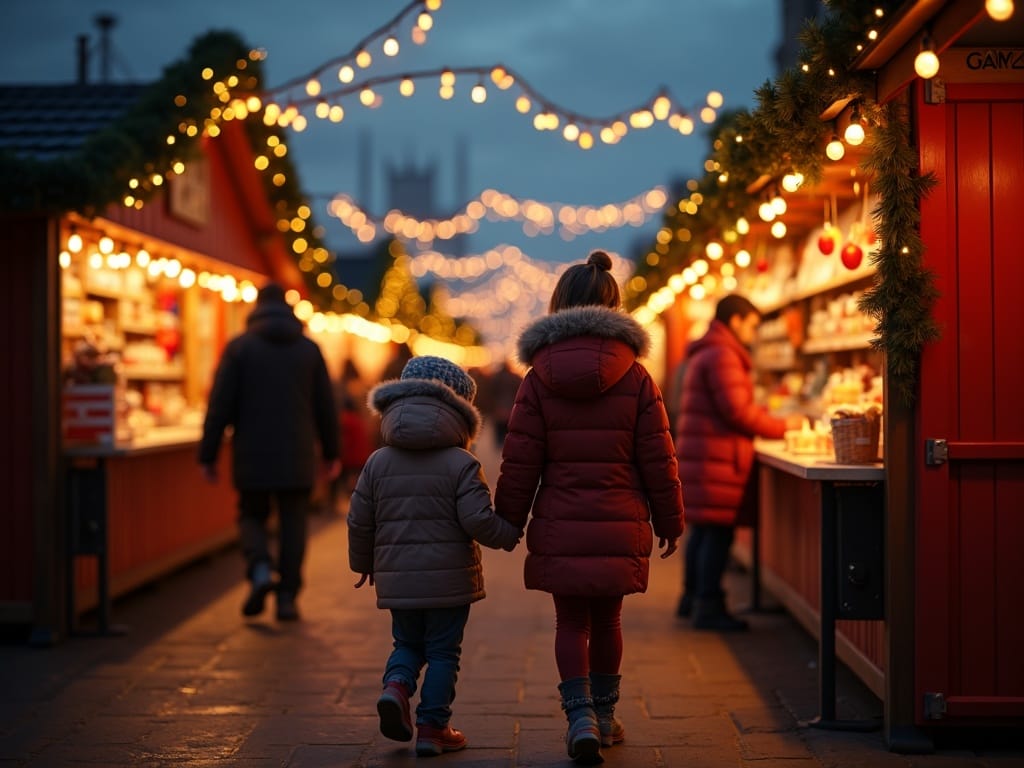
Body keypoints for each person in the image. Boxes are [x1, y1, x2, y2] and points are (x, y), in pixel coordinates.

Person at [493, 250, 684, 765]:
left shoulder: (537, 378)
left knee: (570, 622)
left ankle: (578, 717)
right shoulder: (638, 377)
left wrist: (508, 519)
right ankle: (605, 715)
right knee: (608, 621)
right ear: (614, 304)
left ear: (558, 304)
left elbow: (520, 457)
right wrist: (670, 519)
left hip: (561, 523)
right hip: (620, 522)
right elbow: (659, 456)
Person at [347, 355, 520, 757]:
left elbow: (359, 520)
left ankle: (396, 686)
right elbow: (477, 520)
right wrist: (508, 535)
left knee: (406, 642)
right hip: (449, 582)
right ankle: (432, 728)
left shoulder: (377, 462)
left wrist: (363, 564)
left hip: (397, 578)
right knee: (443, 651)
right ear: (461, 407)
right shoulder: (461, 463)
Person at [198, 282, 340, 622]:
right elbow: (325, 406)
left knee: (251, 514)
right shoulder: (309, 350)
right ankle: (288, 596)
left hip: (252, 451)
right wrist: (332, 452)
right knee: (293, 522)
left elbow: (220, 405)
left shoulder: (239, 348)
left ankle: (260, 567)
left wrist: (208, 453)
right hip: (298, 452)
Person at [673, 293, 804, 631]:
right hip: (716, 459)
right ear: (735, 322)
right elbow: (737, 411)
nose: (754, 333)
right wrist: (783, 426)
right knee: (716, 534)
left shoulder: (710, 351)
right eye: (752, 325)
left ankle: (692, 600)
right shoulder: (723, 355)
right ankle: (708, 607)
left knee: (703, 532)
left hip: (706, 457)